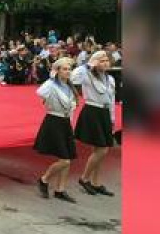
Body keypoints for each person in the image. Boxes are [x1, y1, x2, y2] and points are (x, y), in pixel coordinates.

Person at [71, 51, 117, 197]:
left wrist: (112, 119)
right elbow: (73, 76)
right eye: (101, 60)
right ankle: (84, 178)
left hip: (104, 114)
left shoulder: (110, 79)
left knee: (101, 150)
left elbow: (111, 101)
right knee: (102, 149)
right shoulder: (87, 75)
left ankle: (96, 183)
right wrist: (89, 64)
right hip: (92, 111)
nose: (105, 63)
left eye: (106, 60)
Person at [34, 57, 79, 203]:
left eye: (69, 69)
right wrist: (52, 79)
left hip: (65, 122)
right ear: (57, 71)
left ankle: (60, 189)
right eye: (64, 69)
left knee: (67, 159)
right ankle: (44, 179)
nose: (68, 72)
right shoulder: (52, 85)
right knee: (65, 160)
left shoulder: (70, 86)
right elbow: (40, 92)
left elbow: (71, 107)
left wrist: (70, 122)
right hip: (53, 120)